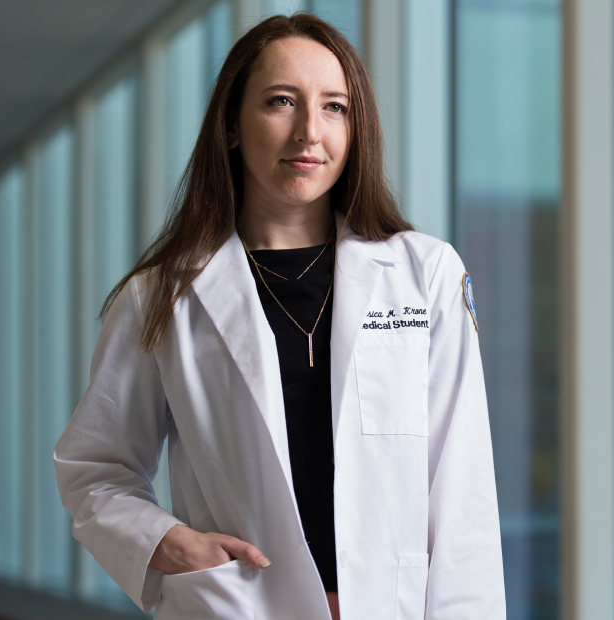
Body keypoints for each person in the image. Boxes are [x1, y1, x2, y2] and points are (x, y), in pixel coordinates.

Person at [53, 14, 503, 620]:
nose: (309, 132)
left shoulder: (426, 277)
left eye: (335, 108)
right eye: (281, 102)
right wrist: (167, 543)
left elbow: (461, 491)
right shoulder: (162, 296)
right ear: (232, 126)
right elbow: (94, 466)